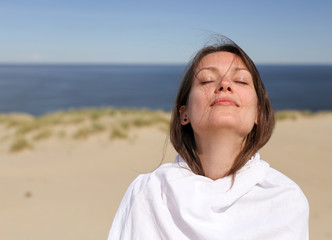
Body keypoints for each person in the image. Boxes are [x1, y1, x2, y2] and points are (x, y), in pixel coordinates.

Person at [108, 38, 309, 240]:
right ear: (184, 114)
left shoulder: (284, 199)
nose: (224, 85)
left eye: (240, 80)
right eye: (206, 80)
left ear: (258, 114)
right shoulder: (147, 193)